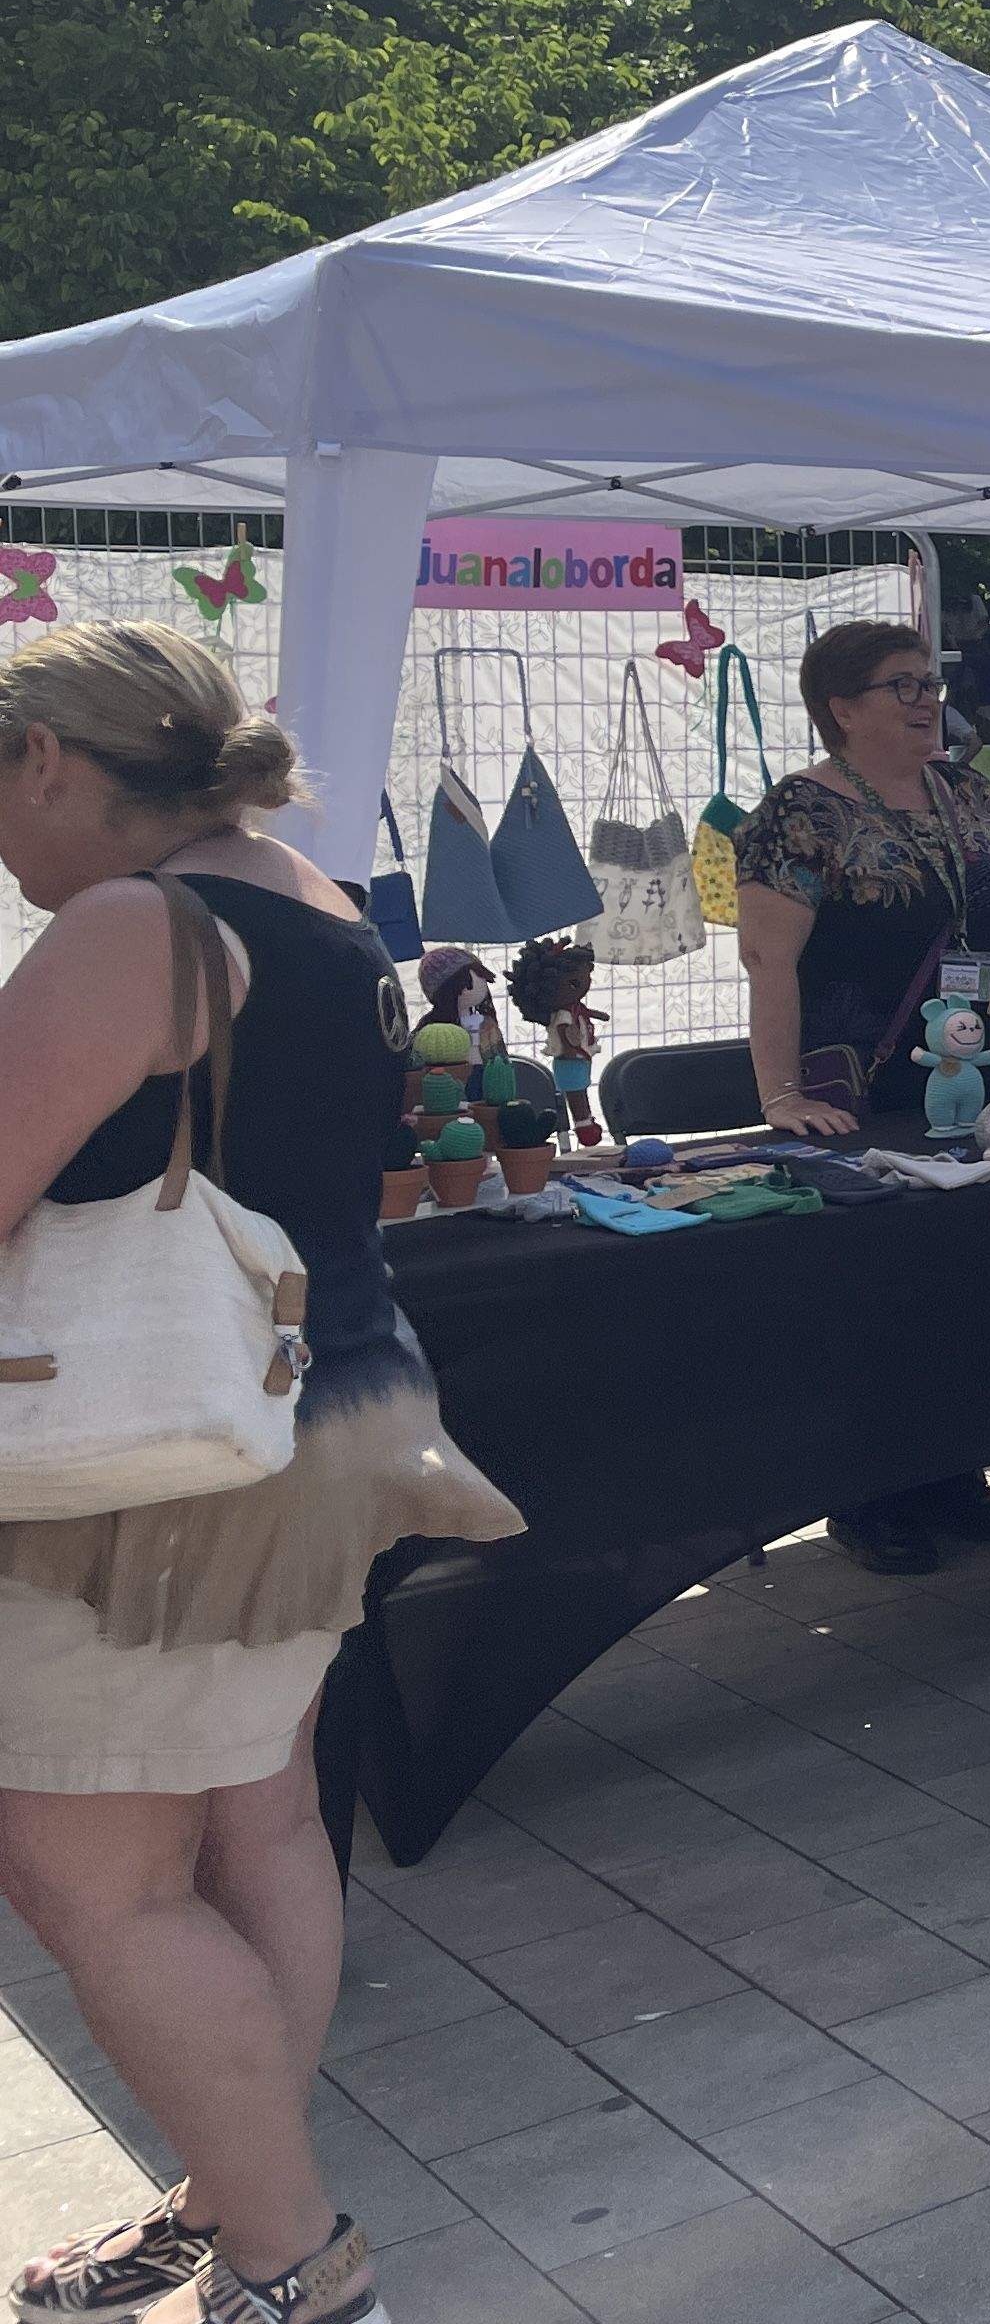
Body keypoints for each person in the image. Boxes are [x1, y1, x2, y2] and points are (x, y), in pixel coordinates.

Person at [0, 627, 521, 2324]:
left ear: (50, 761)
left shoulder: (131, 925)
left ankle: (294, 2255)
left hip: (152, 1461)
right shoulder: (308, 891)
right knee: (260, 1824)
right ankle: (241, 2200)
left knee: (99, 1878)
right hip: (325, 1411)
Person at [739, 619, 990, 1579]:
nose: (926, 699)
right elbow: (768, 960)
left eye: (929, 681)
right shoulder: (801, 813)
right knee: (876, 1296)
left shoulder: (975, 797)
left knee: (969, 1290)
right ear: (841, 708)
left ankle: (953, 1472)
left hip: (981, 1086)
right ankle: (869, 1492)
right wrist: (781, 1094)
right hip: (861, 1095)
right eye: (900, 685)